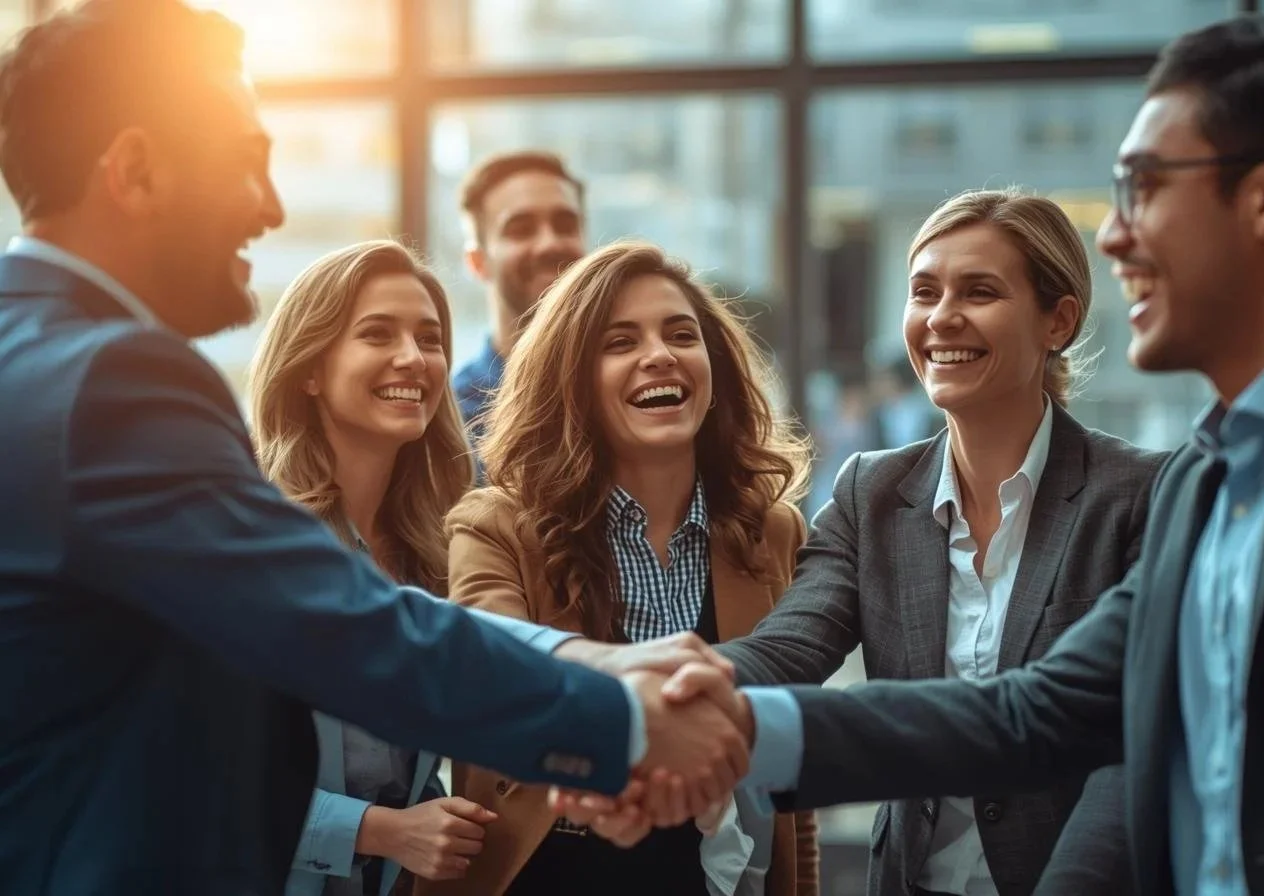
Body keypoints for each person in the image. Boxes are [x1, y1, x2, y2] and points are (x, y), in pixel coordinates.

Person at [564, 12, 1264, 896]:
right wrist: (647, 713)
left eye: (1147, 187)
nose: (1116, 235)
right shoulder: (1214, 479)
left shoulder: (1161, 488)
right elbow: (1030, 713)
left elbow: (1113, 754)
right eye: (924, 291)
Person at [0, 4, 749, 893]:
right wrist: (616, 713)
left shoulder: (30, 352)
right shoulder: (112, 379)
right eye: (244, 162)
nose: (270, 206)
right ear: (135, 171)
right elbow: (341, 624)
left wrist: (601, 665)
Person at [717, 188, 1166, 896]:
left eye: (979, 292)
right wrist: (658, 691)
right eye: (924, 291)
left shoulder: (1140, 495)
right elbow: (784, 650)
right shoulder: (870, 492)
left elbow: (1132, 741)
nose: (941, 317)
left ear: (1058, 320)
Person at [431, 240, 818, 896]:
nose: (660, 355)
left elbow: (790, 772)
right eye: (620, 342)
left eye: (681, 335)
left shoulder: (773, 532)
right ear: (573, 382)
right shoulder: (493, 525)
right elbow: (493, 675)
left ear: (714, 369)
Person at [250, 240, 499, 895]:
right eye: (377, 334)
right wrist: (380, 830)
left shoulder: (436, 551)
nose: (413, 357)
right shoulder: (255, 543)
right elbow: (194, 772)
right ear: (310, 369)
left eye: (430, 338)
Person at [451, 150, 587, 437]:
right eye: (521, 230)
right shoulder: (450, 421)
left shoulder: (628, 391)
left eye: (565, 226)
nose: (550, 244)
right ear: (477, 262)